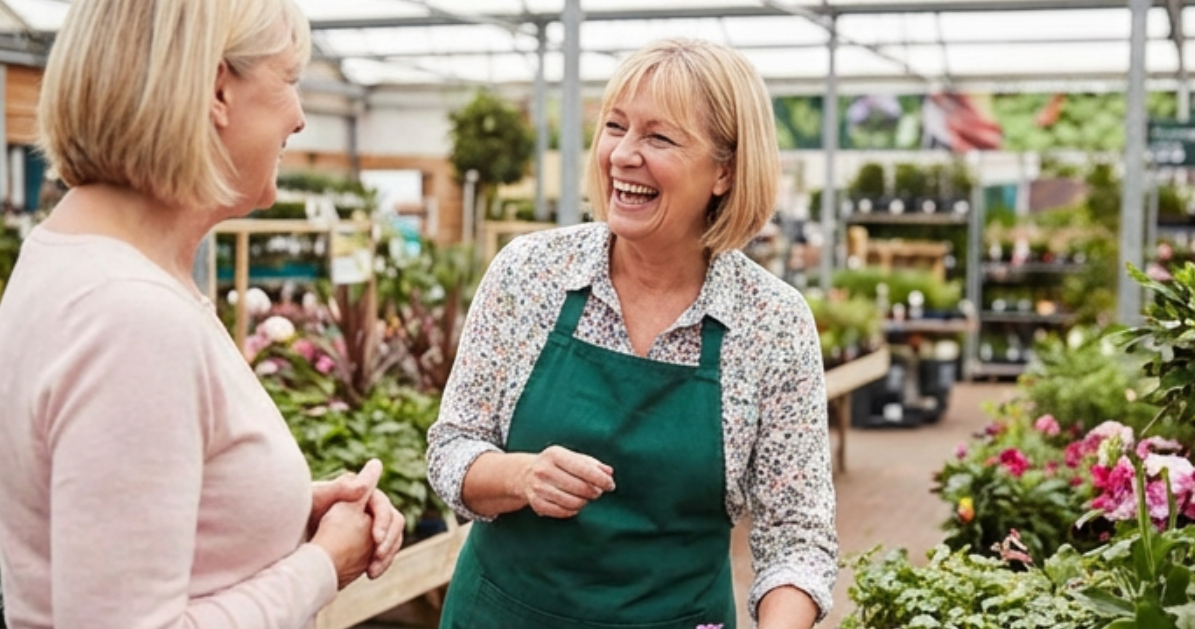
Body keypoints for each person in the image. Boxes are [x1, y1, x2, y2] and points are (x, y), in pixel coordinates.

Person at [0, 1, 405, 627]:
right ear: (218, 89)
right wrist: (323, 564)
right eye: (289, 80)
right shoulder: (130, 317)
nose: (299, 118)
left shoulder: (78, 261)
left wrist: (283, 512)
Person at [428, 38, 837, 629]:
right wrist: (521, 476)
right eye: (615, 127)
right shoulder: (530, 274)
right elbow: (452, 448)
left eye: (659, 138)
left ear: (725, 171)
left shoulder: (771, 323)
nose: (622, 154)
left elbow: (797, 537)